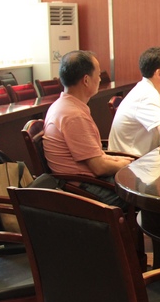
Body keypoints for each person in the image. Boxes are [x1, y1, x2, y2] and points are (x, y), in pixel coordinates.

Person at [43, 51, 133, 209]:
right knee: (144, 194)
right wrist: (128, 165)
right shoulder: (73, 115)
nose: (100, 79)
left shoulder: (63, 105)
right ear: (86, 80)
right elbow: (99, 168)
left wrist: (122, 161)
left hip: (84, 180)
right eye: (98, 74)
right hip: (84, 188)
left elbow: (95, 155)